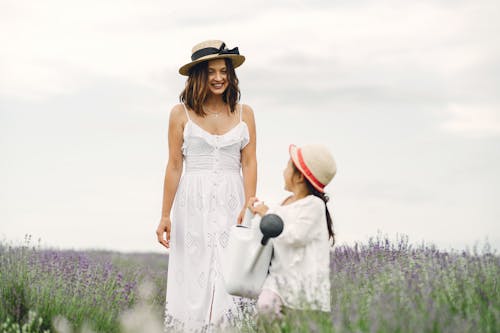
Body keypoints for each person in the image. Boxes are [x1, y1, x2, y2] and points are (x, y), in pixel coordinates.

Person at [155, 40, 257, 331]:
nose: (219, 77)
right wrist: (165, 215)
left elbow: (249, 162)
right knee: (193, 275)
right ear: (198, 75)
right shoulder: (180, 114)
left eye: (224, 71)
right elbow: (174, 166)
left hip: (232, 202)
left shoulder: (244, 113)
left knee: (231, 276)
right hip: (192, 205)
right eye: (211, 71)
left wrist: (249, 203)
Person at [249, 144, 336, 319]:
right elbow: (266, 227)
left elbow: (295, 236)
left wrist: (267, 213)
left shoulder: (313, 206)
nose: (283, 170)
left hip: (304, 286)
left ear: (299, 177)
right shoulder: (283, 203)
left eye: (287, 166)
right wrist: (255, 211)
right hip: (277, 280)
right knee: (265, 307)